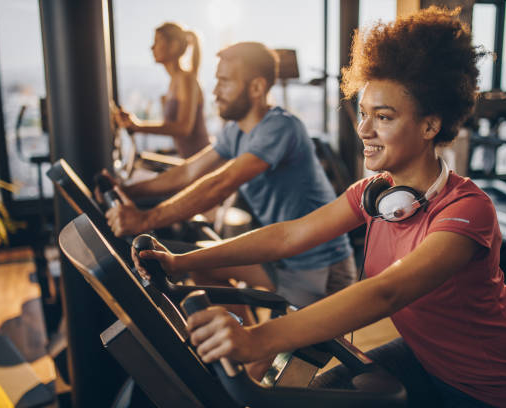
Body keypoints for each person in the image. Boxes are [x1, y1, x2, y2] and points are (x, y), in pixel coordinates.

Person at [135, 8, 506, 408]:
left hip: (494, 390)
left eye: (383, 117)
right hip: (424, 358)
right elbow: (288, 235)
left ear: (430, 125)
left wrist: (256, 340)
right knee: (315, 396)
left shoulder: (466, 210)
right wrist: (179, 261)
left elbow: (386, 291)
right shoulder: (373, 193)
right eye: (363, 113)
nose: (364, 130)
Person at [109, 41, 356, 309]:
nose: (215, 91)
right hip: (281, 258)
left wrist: (146, 219)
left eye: (224, 82)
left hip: (320, 268)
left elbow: (221, 184)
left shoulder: (281, 127)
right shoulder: (235, 131)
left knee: (289, 347)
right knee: (205, 268)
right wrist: (128, 191)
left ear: (257, 88)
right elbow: (189, 170)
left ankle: (251, 347)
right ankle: (243, 345)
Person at [115, 22, 210, 159]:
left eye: (157, 41)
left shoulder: (186, 79)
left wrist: (138, 126)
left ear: (173, 46)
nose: (152, 47)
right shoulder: (173, 82)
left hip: (201, 162)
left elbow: (183, 128)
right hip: (188, 160)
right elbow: (171, 127)